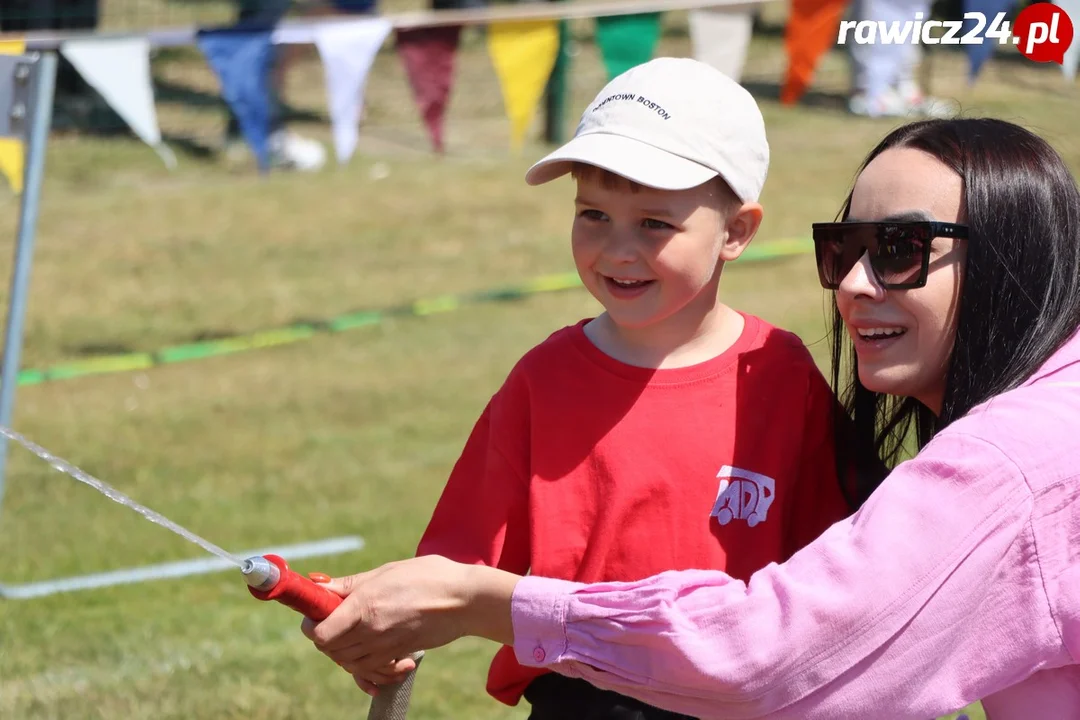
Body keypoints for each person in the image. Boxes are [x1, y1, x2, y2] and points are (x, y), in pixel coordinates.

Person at [299, 116, 1080, 719]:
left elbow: (775, 650)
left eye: (903, 249)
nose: (855, 285)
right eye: (846, 249)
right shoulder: (542, 378)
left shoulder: (1005, 462)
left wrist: (486, 604)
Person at [318, 56, 855, 718]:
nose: (616, 249)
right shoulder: (543, 382)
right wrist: (377, 627)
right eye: (593, 214)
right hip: (580, 700)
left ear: (736, 232)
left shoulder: (782, 375)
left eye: (654, 223)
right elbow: (451, 570)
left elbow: (841, 575)